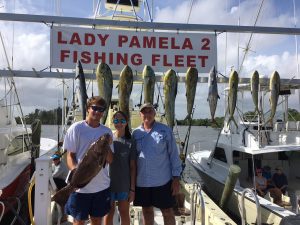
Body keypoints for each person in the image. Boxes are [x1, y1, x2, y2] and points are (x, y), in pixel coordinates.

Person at [63, 96, 114, 225]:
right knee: (78, 220)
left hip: (101, 186)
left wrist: (106, 145)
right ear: (88, 109)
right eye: (95, 108)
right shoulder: (76, 128)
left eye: (101, 109)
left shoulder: (107, 131)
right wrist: (75, 171)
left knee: (97, 220)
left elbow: (110, 160)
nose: (97, 112)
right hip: (80, 188)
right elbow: (70, 155)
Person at [132, 103, 182, 225]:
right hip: (142, 181)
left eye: (150, 111)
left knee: (167, 211)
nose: (147, 114)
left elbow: (174, 155)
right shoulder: (135, 133)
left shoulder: (165, 130)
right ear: (140, 115)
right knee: (147, 211)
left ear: (155, 114)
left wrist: (176, 178)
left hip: (162, 181)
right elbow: (132, 159)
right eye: (144, 112)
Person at [104, 111, 136, 225]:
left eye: (122, 121)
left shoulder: (131, 141)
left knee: (124, 212)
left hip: (124, 184)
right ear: (113, 122)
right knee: (109, 212)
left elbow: (132, 167)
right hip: (108, 183)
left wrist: (132, 189)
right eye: (116, 121)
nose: (119, 123)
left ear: (126, 123)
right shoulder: (108, 139)